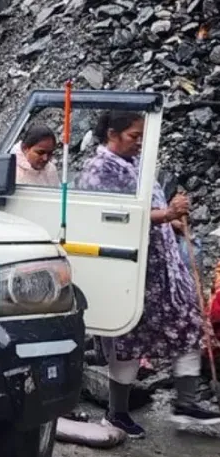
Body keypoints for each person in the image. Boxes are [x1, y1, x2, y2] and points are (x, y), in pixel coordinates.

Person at [75, 110, 220, 437]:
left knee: (188, 325)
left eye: (142, 136)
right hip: (132, 275)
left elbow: (146, 208)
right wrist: (165, 213)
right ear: (113, 133)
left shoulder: (134, 163)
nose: (139, 142)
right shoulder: (100, 170)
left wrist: (170, 221)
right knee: (128, 340)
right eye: (133, 136)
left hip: (163, 273)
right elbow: (112, 217)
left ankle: (186, 402)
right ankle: (117, 413)